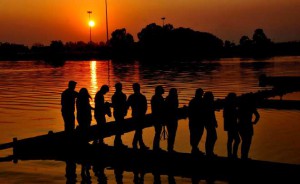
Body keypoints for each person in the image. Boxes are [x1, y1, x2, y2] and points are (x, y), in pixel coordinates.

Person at [238, 93, 260, 160]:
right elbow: (258, 116)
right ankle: (245, 156)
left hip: (241, 125)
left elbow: (237, 116)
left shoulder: (240, 106)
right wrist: (254, 122)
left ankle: (243, 156)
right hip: (248, 125)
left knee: (244, 141)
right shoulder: (251, 106)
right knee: (247, 141)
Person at [127, 83, 149, 150]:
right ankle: (137, 144)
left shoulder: (132, 97)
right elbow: (145, 107)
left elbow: (127, 105)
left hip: (136, 115)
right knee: (139, 130)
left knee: (138, 130)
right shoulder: (142, 97)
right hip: (139, 115)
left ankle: (138, 144)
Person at [188, 88, 205, 155]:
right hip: (197, 121)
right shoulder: (199, 101)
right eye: (202, 92)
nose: (202, 93)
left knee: (195, 135)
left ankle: (194, 148)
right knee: (196, 135)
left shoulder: (192, 101)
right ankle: (194, 149)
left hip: (193, 121)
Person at [223, 92, 240, 159]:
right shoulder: (230, 106)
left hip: (229, 124)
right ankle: (233, 154)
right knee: (237, 140)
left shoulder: (227, 105)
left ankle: (230, 154)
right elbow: (233, 115)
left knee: (230, 140)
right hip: (232, 124)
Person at [111, 82, 128, 148]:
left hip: (117, 113)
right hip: (119, 113)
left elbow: (114, 105)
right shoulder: (122, 95)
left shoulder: (114, 96)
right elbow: (124, 104)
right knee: (119, 127)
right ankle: (118, 143)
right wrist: (125, 111)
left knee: (119, 127)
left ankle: (118, 142)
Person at [203, 91, 218, 157]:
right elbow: (211, 114)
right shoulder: (208, 104)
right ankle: (209, 152)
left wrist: (215, 121)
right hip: (209, 122)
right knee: (212, 137)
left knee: (211, 137)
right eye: (212, 95)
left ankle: (209, 152)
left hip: (209, 122)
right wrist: (214, 122)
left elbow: (212, 114)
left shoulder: (208, 104)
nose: (213, 96)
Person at [151, 85, 165, 151]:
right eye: (162, 89)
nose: (163, 90)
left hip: (157, 117)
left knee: (158, 132)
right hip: (157, 117)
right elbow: (160, 107)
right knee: (157, 132)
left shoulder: (157, 97)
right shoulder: (157, 98)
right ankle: (156, 147)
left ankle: (156, 146)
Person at [165, 88, 179, 153]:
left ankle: (170, 147)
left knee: (172, 134)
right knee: (172, 134)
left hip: (171, 118)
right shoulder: (173, 99)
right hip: (172, 119)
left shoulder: (168, 98)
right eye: (176, 92)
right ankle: (170, 148)